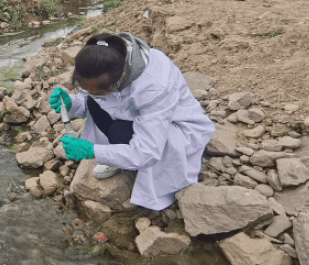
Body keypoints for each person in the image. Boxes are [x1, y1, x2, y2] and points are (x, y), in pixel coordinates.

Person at [49, 32, 215, 211]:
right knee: (94, 102)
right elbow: (103, 100)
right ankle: (118, 155)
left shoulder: (155, 85)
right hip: (137, 116)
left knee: (120, 132)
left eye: (98, 91)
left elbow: (147, 151)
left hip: (175, 128)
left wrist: (93, 151)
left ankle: (125, 159)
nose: (93, 94)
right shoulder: (109, 61)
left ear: (121, 76)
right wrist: (71, 104)